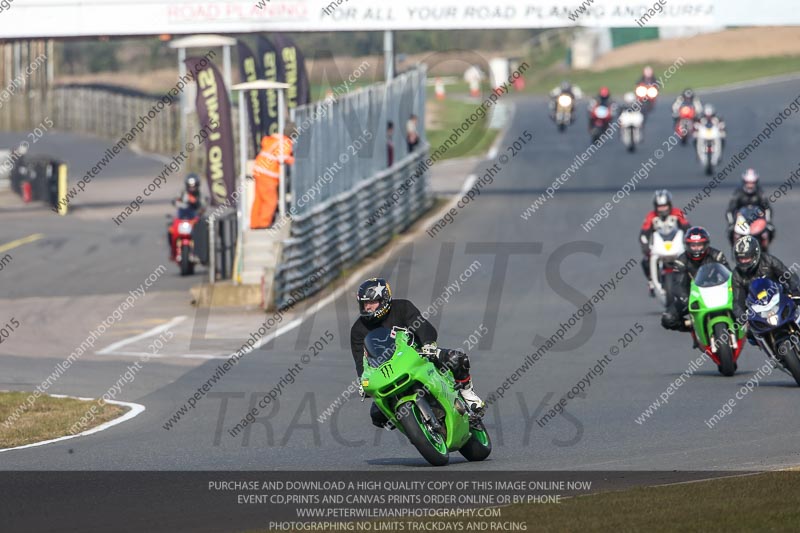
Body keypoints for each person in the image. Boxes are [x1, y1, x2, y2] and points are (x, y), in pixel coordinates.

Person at [350, 278, 484, 429]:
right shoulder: (358, 330)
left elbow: (423, 326)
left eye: (371, 302)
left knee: (457, 359)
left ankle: (468, 396)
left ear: (384, 299)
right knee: (377, 415)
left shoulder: (402, 307)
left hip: (420, 356)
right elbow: (360, 360)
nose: (367, 307)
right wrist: (363, 380)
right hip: (387, 372)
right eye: (364, 303)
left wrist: (428, 344)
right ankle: (414, 426)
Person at [661, 226, 730, 331]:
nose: (696, 248)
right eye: (693, 245)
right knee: (668, 319)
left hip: (717, 292)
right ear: (687, 246)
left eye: (699, 245)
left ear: (705, 244)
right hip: (693, 296)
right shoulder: (681, 261)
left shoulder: (717, 255)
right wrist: (685, 298)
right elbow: (677, 284)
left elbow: (729, 275)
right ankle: (694, 329)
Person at [731, 236, 800, 326]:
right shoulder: (737, 274)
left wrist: (795, 291)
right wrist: (742, 317)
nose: (744, 262)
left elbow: (788, 275)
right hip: (758, 312)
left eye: (747, 258)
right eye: (741, 259)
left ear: (755, 255)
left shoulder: (768, 260)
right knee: (750, 334)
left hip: (780, 302)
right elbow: (737, 300)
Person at [639, 190, 691, 295]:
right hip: (659, 245)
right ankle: (651, 281)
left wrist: (689, 241)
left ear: (670, 205)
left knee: (691, 258)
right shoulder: (651, 216)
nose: (662, 209)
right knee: (645, 261)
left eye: (664, 206)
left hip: (676, 244)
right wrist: (645, 246)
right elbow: (644, 234)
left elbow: (687, 228)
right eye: (659, 206)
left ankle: (691, 278)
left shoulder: (678, 213)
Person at [252, 125, 295, 229]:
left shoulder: (273, 140)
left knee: (259, 199)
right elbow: (282, 157)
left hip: (258, 171)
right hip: (268, 174)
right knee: (271, 200)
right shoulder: (285, 143)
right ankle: (263, 224)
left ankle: (254, 223)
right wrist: (293, 160)